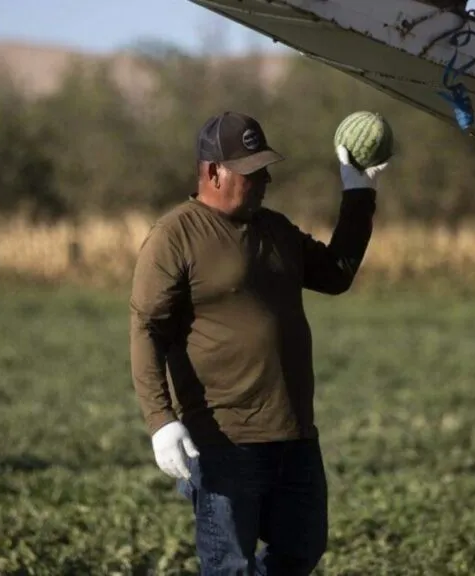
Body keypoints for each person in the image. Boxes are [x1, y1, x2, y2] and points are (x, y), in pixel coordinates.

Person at [129, 111, 390, 574]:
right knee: (230, 565)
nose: (265, 178)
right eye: (251, 170)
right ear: (213, 172)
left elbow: (336, 274)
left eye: (266, 167)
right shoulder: (175, 235)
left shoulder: (275, 229)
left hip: (293, 434)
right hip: (225, 440)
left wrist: (358, 191)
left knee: (301, 552)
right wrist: (160, 420)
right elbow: (146, 327)